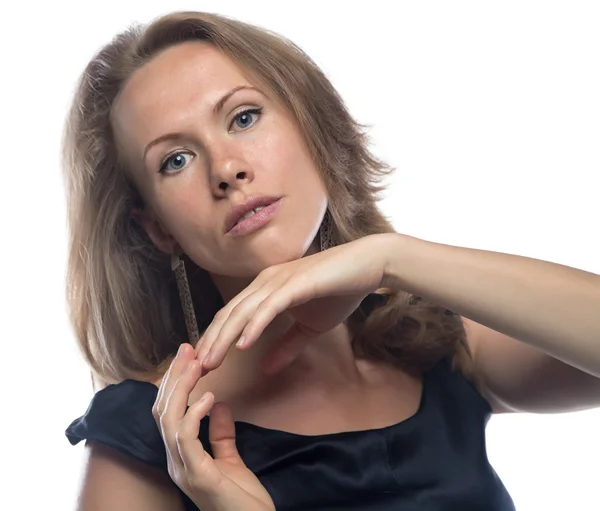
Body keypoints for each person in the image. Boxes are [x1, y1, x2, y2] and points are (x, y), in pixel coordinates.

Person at [63, 10, 600, 511]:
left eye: (244, 117)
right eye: (175, 160)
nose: (225, 168)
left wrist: (392, 258)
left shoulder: (440, 346)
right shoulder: (148, 438)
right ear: (158, 227)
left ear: (315, 131)